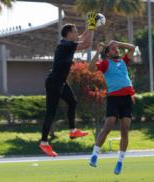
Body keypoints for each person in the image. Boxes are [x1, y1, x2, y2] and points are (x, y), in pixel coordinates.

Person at [39, 12, 101, 157]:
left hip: (60, 82)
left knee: (72, 102)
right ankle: (44, 143)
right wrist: (92, 25)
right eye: (75, 31)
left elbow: (83, 37)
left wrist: (92, 25)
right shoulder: (67, 45)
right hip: (54, 83)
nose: (77, 33)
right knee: (51, 113)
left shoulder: (68, 43)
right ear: (68, 34)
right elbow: (87, 44)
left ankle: (73, 131)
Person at [88, 40, 136, 175]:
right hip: (114, 98)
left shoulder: (124, 61)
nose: (117, 50)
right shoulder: (105, 63)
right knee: (108, 125)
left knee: (125, 130)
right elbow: (90, 69)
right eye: (113, 49)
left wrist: (117, 43)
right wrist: (98, 51)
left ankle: (120, 162)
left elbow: (132, 48)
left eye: (117, 49)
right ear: (107, 54)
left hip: (127, 99)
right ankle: (94, 155)